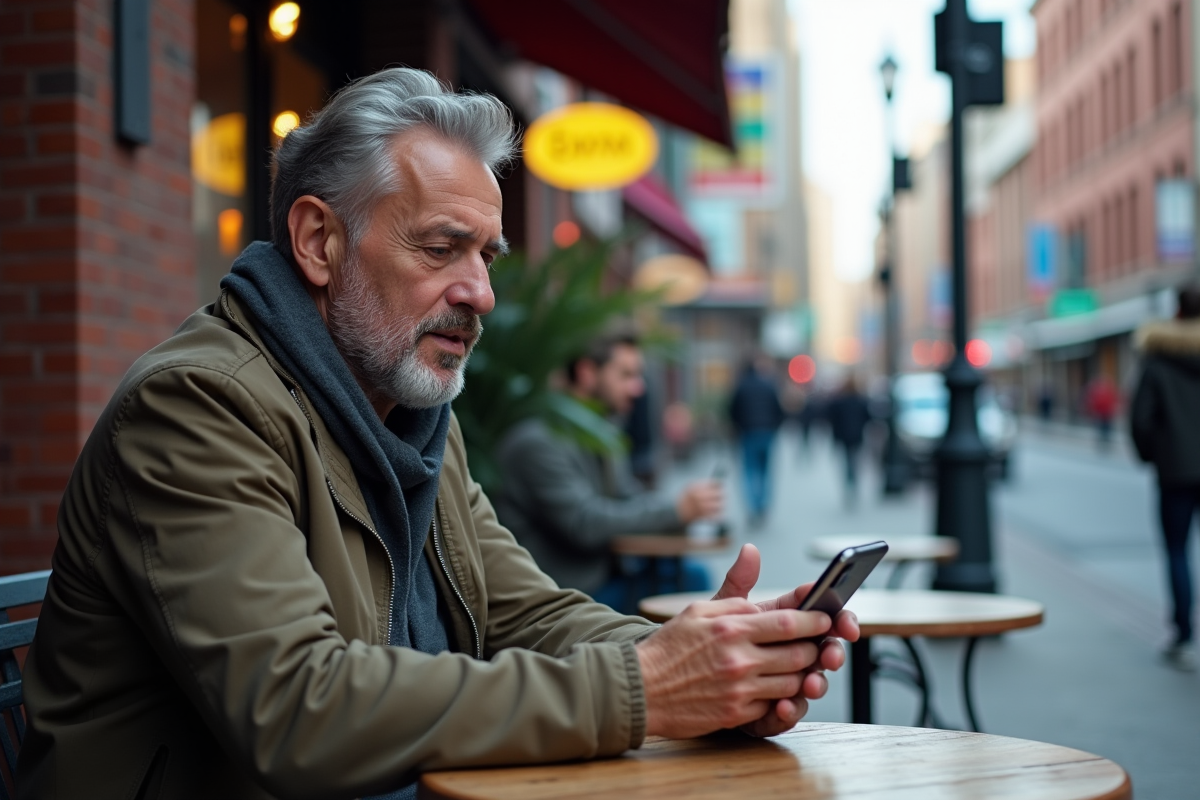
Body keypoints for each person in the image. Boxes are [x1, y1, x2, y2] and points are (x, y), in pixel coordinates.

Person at [17, 69, 859, 799]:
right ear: (319, 241)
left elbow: (521, 613)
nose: (480, 292)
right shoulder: (197, 406)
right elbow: (298, 709)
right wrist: (648, 686)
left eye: (486, 256)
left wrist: (712, 658)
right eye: (442, 248)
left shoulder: (410, 414)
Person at [494, 332, 720, 611]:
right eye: (626, 375)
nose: (638, 388)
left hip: (603, 579)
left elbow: (628, 498)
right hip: (560, 598)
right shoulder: (538, 440)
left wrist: (683, 509)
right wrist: (676, 511)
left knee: (693, 575)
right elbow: (585, 523)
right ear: (587, 372)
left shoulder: (600, 433)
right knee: (694, 582)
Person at [1130, 283, 1200, 672]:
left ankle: (1183, 632)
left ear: (1176, 312)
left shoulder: (1157, 358)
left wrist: (1155, 454)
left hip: (1175, 469)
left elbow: (1141, 419)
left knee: (1177, 550)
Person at [728, 356, 786, 526]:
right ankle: (763, 505)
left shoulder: (741, 386)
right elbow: (779, 410)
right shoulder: (769, 385)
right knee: (766, 472)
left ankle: (753, 507)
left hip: (747, 433)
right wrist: (774, 427)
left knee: (749, 471)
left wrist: (738, 427)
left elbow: (732, 411)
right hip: (767, 432)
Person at [826, 375, 872, 506]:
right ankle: (854, 483)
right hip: (857, 436)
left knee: (847, 461)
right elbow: (868, 417)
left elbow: (830, 417)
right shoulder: (861, 400)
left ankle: (849, 484)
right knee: (855, 461)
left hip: (843, 436)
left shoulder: (838, 401)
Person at [1085, 374, 1120, 450]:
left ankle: (1104, 441)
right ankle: (1105, 441)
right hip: (1105, 413)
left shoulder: (1098, 390)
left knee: (1103, 428)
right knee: (1105, 428)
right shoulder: (1106, 390)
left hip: (1103, 413)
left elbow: (1093, 402)